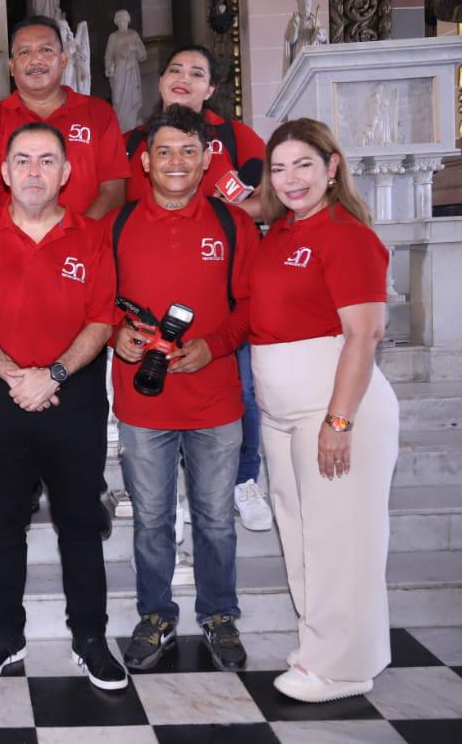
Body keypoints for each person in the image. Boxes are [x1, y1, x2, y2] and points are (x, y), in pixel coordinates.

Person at [0, 122, 126, 690]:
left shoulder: (92, 236)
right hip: (1, 402)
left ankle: (91, 638)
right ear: (3, 172)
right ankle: (5, 637)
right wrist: (13, 375)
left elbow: (102, 319)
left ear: (67, 172)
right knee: (3, 525)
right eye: (22, 160)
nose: (33, 171)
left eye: (47, 160)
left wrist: (50, 375)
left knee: (78, 522)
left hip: (73, 401)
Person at [250, 118, 399, 703]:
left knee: (342, 539)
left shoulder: (347, 235)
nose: (290, 179)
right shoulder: (282, 230)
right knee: (303, 534)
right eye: (279, 168)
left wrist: (340, 422)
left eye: (303, 165)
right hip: (281, 408)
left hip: (332, 404)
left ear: (332, 167)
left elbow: (364, 335)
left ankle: (343, 667)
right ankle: (320, 648)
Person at [110, 106, 259, 673]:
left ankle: (219, 615)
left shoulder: (233, 224)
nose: (177, 162)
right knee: (151, 519)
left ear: (205, 160)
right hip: (143, 402)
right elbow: (98, 302)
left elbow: (249, 307)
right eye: (165, 151)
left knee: (216, 518)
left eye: (189, 151)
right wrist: (117, 332)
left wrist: (213, 346)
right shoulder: (118, 225)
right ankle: (157, 615)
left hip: (215, 400)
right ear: (145, 161)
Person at [122, 45, 273, 532]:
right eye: (174, 70)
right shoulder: (132, 141)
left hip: (217, 283)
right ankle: (166, 491)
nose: (184, 78)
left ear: (211, 89)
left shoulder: (234, 136)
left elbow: (275, 195)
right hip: (152, 282)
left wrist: (225, 218)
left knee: (240, 391)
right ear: (160, 82)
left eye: (197, 73)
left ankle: (243, 480)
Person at [0, 15, 128, 222]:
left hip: (85, 247)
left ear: (63, 61)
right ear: (12, 67)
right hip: (12, 251)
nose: (36, 60)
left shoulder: (99, 113)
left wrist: (75, 239)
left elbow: (113, 193)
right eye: (25, 52)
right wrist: (19, 247)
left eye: (46, 50)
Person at [105, 9, 147, 132]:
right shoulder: (113, 37)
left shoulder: (133, 35)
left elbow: (143, 54)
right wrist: (109, 67)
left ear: (128, 20)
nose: (122, 22)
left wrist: (133, 47)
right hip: (119, 71)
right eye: (120, 20)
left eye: (124, 20)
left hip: (131, 71)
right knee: (118, 99)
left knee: (132, 100)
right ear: (116, 22)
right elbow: (109, 55)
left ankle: (132, 126)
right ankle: (120, 127)